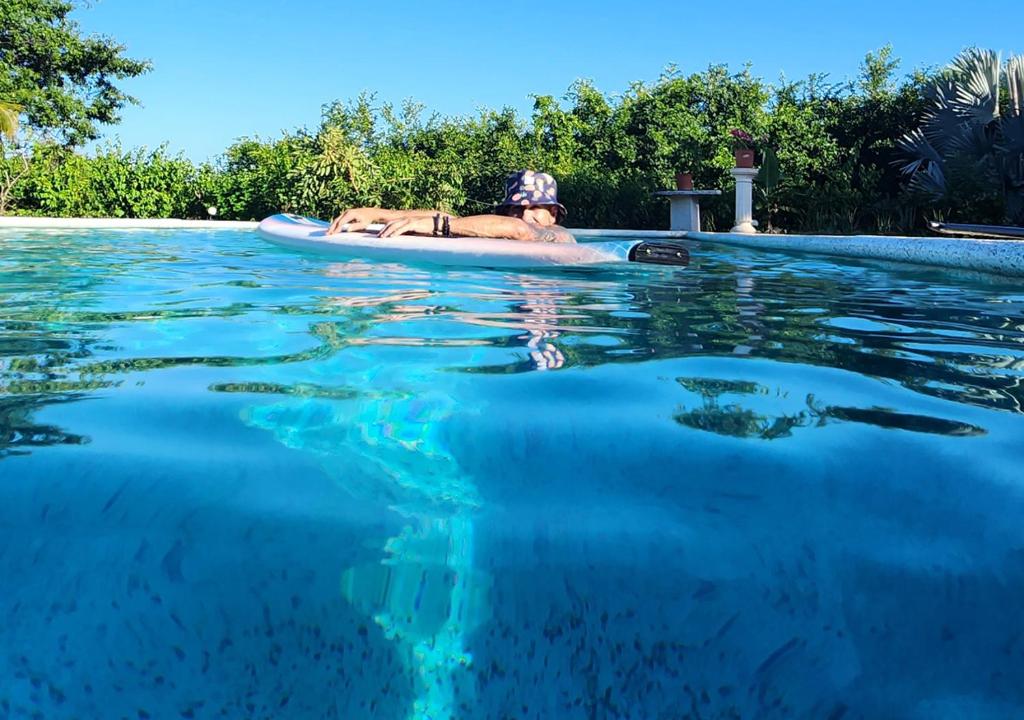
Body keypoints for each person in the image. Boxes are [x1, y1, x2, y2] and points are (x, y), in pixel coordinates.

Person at [326, 170, 575, 243]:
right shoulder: (499, 231)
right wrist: (377, 215)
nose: (524, 215)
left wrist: (440, 225)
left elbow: (519, 230)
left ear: (552, 214)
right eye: (517, 209)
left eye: (534, 208)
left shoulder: (558, 237)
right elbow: (453, 219)